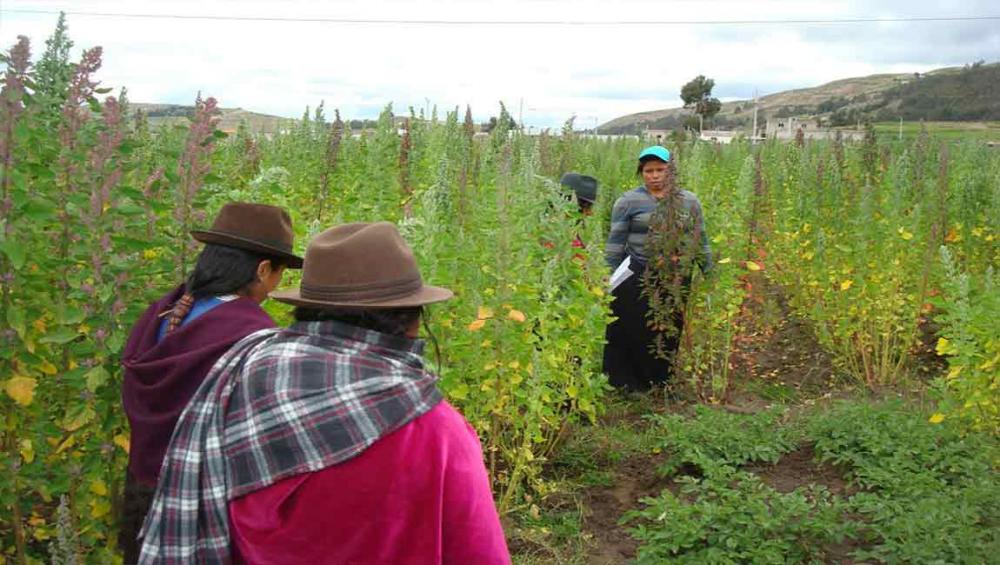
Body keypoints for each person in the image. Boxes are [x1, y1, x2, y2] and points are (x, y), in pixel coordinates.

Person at [137, 222, 511, 564]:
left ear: (306, 309)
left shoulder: (242, 375)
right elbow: (479, 550)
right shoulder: (436, 430)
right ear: (410, 319)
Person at [119, 202, 302, 563]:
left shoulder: (164, 311)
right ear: (263, 270)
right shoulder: (251, 334)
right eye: (280, 273)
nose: (278, 284)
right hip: (202, 498)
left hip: (142, 487)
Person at [603, 146, 712, 392]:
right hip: (637, 272)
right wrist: (607, 276)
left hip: (676, 274)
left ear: (671, 171)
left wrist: (709, 271)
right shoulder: (628, 201)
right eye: (648, 170)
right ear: (641, 172)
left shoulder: (689, 201)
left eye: (660, 170)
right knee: (630, 327)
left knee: (668, 328)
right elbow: (615, 242)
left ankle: (660, 381)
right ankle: (625, 384)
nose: (654, 175)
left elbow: (700, 238)